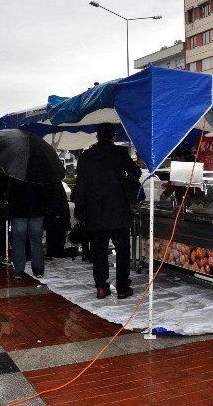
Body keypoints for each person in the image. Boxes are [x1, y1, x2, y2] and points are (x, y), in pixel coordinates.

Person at [74, 123, 141, 299]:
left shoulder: (85, 157)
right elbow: (136, 172)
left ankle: (101, 287)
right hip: (118, 210)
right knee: (122, 250)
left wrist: (80, 210)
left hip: (95, 212)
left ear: (97, 136)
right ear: (114, 136)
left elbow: (80, 187)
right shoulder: (120, 154)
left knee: (99, 251)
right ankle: (122, 287)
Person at [9, 177, 50, 278]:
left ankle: (18, 271)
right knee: (36, 241)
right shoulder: (41, 170)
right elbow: (49, 190)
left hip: (18, 210)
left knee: (18, 241)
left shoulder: (16, 169)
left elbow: (8, 189)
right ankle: (38, 270)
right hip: (37, 210)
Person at [44, 181, 71, 260]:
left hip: (52, 215)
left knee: (51, 238)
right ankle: (57, 253)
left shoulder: (48, 184)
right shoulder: (58, 185)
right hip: (59, 215)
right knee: (59, 238)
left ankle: (53, 253)